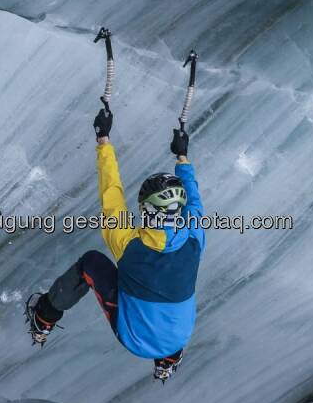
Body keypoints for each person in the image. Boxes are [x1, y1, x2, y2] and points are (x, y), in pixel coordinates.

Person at [25, 103, 205, 382]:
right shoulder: (194, 238)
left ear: (146, 210)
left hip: (135, 339)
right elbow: (194, 201)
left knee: (91, 263)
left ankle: (44, 317)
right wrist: (182, 157)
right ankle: (168, 361)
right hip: (178, 338)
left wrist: (103, 140)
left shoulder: (129, 245)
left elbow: (112, 193)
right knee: (170, 292)